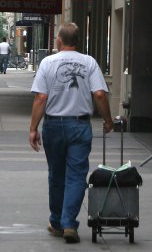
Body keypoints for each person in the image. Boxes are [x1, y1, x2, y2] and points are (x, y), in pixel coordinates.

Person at [29, 22, 113, 244]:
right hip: (79, 125)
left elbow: (40, 98)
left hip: (54, 125)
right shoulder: (89, 62)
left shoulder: (48, 63)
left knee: (56, 175)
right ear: (77, 41)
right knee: (76, 176)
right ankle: (68, 223)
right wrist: (108, 120)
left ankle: (57, 222)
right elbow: (100, 94)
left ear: (58, 40)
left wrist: (33, 128)